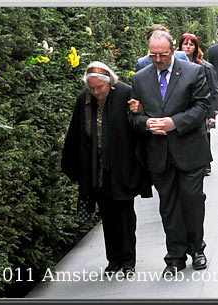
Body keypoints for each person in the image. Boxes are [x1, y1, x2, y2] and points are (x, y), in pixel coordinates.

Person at [127, 30, 211, 277]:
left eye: (162, 55)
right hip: (159, 154)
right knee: (169, 206)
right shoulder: (140, 79)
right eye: (153, 55)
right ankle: (174, 256)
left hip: (190, 150)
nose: (157, 60)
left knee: (192, 201)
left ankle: (197, 249)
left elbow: (203, 106)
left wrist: (174, 123)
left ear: (172, 50)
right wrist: (146, 124)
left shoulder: (193, 72)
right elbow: (133, 115)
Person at [61, 61, 152, 276]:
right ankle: (113, 260)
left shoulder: (125, 94)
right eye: (92, 88)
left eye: (99, 88)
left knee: (125, 216)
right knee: (107, 216)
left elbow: (139, 123)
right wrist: (74, 167)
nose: (95, 92)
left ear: (109, 83)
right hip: (97, 170)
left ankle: (129, 260)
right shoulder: (83, 99)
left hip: (122, 168)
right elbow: (75, 134)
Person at [178, 33, 218, 176]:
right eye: (185, 44)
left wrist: (214, 111)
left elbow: (213, 89)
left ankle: (204, 163)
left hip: (201, 106)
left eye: (191, 44)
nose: (188, 47)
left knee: (203, 134)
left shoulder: (205, 66)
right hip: (182, 106)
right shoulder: (174, 66)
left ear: (196, 47)